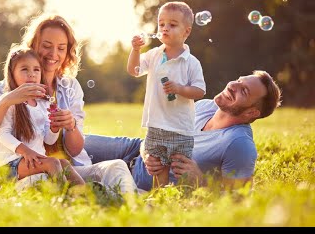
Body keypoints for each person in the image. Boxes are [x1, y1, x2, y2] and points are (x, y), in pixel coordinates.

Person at [0, 13, 138, 193]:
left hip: (68, 169)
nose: (53, 54)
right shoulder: (10, 88)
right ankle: (88, 198)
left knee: (116, 167)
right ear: (33, 45)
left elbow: (74, 150)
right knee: (49, 183)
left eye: (61, 48)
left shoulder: (70, 87)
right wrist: (6, 101)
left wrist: (70, 125)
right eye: (46, 46)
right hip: (30, 172)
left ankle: (134, 205)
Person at [84, 70, 282, 191]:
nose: (232, 86)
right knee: (69, 141)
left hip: (142, 180)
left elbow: (237, 202)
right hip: (133, 149)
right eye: (239, 80)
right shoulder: (206, 106)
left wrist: (200, 181)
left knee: (71, 175)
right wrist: (146, 152)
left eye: (244, 91)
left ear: (252, 112)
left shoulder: (239, 144)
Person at [128, 1, 206, 187]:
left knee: (181, 167)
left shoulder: (190, 62)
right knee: (158, 166)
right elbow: (134, 70)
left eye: (172, 25)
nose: (165, 28)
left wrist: (180, 89)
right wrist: (136, 50)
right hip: (156, 124)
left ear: (186, 32)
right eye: (161, 24)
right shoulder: (154, 55)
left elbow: (200, 91)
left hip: (180, 126)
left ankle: (186, 197)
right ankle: (161, 196)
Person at [0, 46, 85, 186]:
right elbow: (2, 134)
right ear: (12, 74)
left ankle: (85, 194)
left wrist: (54, 128)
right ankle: (64, 197)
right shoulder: (10, 100)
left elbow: (48, 140)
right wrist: (26, 151)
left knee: (64, 163)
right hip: (8, 165)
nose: (32, 74)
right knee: (53, 162)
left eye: (36, 69)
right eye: (25, 69)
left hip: (33, 161)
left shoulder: (43, 103)